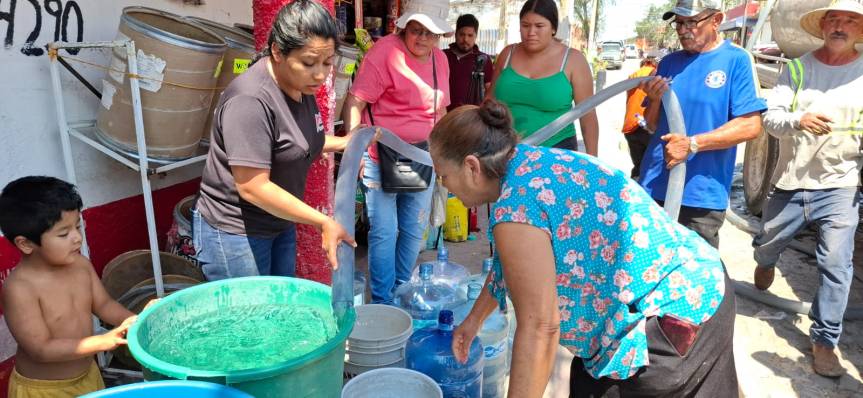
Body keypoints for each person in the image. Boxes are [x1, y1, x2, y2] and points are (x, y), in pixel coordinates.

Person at [432, 100, 737, 397]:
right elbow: (512, 268)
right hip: (704, 282)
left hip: (672, 318)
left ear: (471, 166)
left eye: (444, 175)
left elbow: (540, 328)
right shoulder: (526, 164)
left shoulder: (516, 208)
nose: (445, 186)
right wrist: (472, 323)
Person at [194, 0, 356, 281]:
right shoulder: (251, 100)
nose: (319, 74)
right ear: (277, 52)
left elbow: (298, 143)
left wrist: (345, 142)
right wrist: (322, 221)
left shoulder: (300, 85)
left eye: (327, 63)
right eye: (308, 62)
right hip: (236, 233)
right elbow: (252, 187)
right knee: (251, 319)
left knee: (278, 314)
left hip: (279, 223)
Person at [753, 0, 863, 378]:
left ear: (859, 31)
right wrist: (799, 119)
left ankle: (824, 341)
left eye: (850, 21)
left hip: (840, 184)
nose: (841, 26)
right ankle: (765, 263)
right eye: (834, 18)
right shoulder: (798, 69)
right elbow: (771, 118)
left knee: (836, 263)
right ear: (823, 25)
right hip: (792, 181)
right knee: (768, 240)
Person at [341, 0, 452, 304]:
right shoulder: (385, 52)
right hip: (380, 155)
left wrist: (443, 156)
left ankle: (403, 290)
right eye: (417, 31)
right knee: (384, 232)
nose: (423, 39)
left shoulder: (439, 60)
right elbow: (355, 102)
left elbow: (441, 110)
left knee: (414, 230)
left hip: (422, 156)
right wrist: (356, 148)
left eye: (431, 34)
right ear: (404, 27)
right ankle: (382, 300)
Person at [638, 0, 766, 248]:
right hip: (654, 186)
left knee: (694, 276)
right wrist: (653, 101)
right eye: (679, 23)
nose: (683, 30)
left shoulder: (736, 60)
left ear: (716, 21)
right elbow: (652, 126)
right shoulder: (669, 63)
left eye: (691, 22)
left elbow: (750, 125)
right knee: (646, 265)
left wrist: (693, 144)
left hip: (699, 195)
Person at [0, 176, 137, 398]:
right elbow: (41, 349)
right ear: (25, 244)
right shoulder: (20, 288)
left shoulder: (80, 265)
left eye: (78, 226)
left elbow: (103, 304)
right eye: (63, 234)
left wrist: (134, 322)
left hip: (88, 376)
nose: (77, 238)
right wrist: (102, 341)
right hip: (43, 390)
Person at [488, 0, 599, 153]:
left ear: (553, 28)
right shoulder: (507, 54)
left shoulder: (573, 60)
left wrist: (593, 160)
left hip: (556, 150)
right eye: (525, 25)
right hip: (504, 149)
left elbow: (588, 116)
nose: (531, 32)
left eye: (539, 26)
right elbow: (489, 101)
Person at [445, 14, 494, 111]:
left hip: (472, 118)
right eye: (462, 34)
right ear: (455, 34)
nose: (465, 39)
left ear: (476, 36)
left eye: (470, 35)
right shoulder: (443, 56)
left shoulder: (484, 59)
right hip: (444, 116)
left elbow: (490, 91)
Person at [620, 56, 658, 179]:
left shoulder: (634, 75)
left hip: (630, 126)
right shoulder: (656, 76)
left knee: (638, 164)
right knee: (649, 166)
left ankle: (634, 187)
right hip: (646, 126)